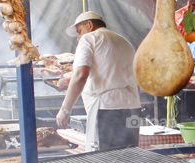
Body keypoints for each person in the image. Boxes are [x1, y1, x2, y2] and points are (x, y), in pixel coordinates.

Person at [56, 11, 141, 152]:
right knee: (128, 159)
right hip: (132, 108)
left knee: (105, 162)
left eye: (79, 32)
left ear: (89, 25)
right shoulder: (124, 41)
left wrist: (65, 109)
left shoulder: (89, 39)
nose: (78, 38)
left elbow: (80, 75)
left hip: (106, 110)